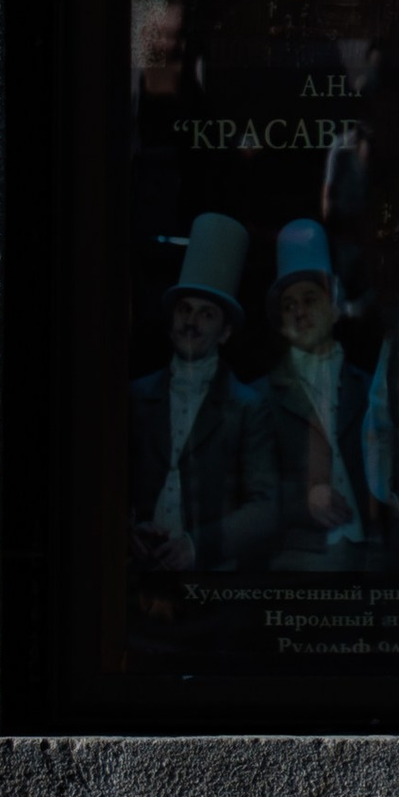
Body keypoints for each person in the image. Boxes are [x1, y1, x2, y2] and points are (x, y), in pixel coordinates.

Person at [128, 210, 275, 579]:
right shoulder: (137, 396)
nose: (191, 321)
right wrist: (129, 528)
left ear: (225, 332)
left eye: (207, 315)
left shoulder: (246, 405)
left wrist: (199, 545)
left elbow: (266, 506)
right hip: (138, 575)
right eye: (185, 310)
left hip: (213, 582)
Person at [259, 215, 375, 566]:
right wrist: (305, 500)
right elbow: (252, 496)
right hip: (300, 563)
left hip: (372, 561)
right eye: (289, 305)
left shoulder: (370, 388)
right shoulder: (262, 396)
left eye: (310, 299)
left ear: (335, 307)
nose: (299, 313)